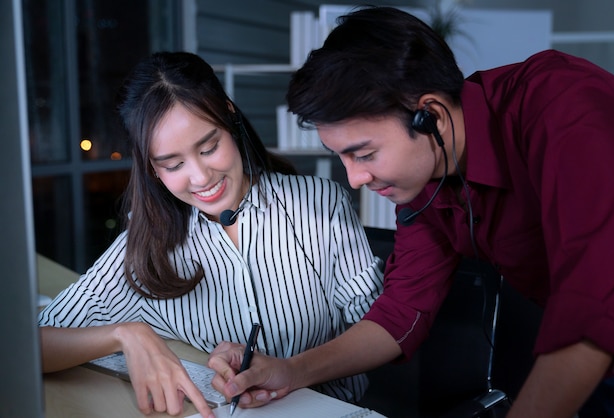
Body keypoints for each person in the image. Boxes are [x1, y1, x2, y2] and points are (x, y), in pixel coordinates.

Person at [207, 6, 614, 418]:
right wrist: (290, 371)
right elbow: (401, 312)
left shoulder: (563, 108)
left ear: (431, 117)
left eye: (365, 153)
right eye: (342, 158)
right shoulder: (425, 184)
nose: (354, 179)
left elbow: (592, 302)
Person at [38, 51, 384, 417]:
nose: (201, 178)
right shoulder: (148, 246)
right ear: (151, 168)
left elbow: (381, 329)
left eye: (209, 147)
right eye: (173, 164)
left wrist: (296, 371)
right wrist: (126, 334)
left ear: (229, 114)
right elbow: (25, 347)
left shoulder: (319, 203)